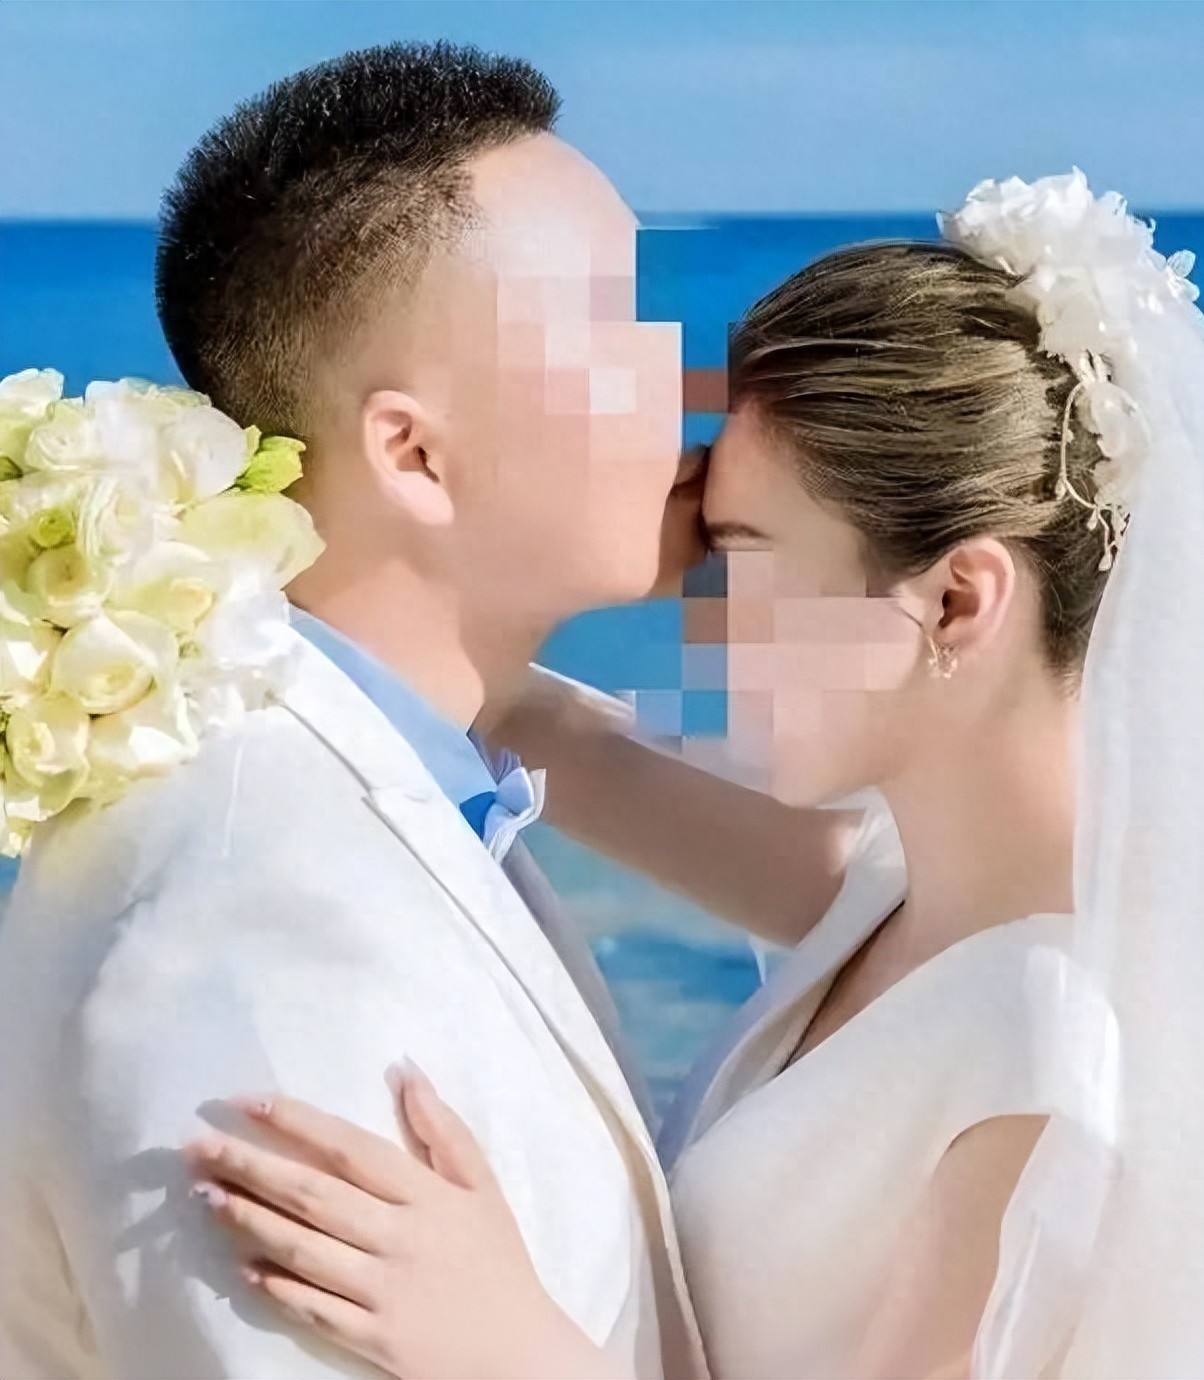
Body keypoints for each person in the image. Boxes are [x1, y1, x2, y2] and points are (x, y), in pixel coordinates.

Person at [184, 175, 1204, 1379]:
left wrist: (510, 1343)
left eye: (742, 558)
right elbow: (522, 718)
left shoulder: (1053, 1057)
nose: (700, 617)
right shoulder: (900, 884)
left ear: (955, 599)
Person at [0, 39, 785, 1380]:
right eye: (614, 330)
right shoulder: (262, 928)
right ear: (412, 453)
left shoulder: (397, 781)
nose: (689, 385)